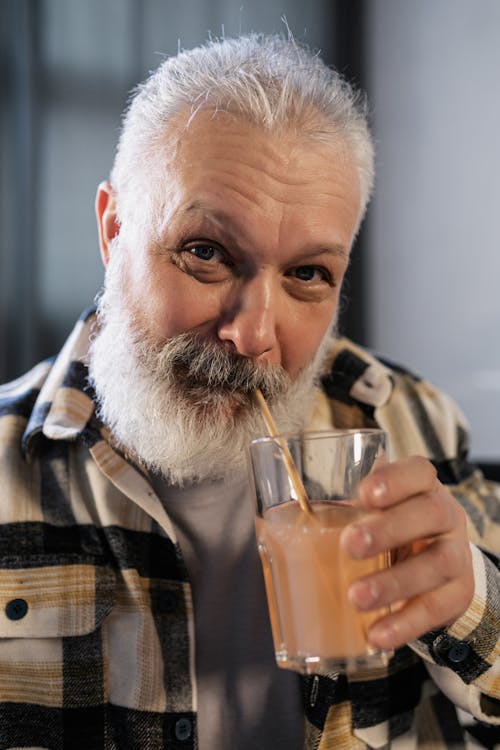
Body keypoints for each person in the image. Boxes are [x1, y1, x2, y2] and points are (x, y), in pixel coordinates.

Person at [0, 33, 498, 750]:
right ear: (113, 231)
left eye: (307, 275)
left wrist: (477, 604)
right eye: (205, 253)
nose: (254, 334)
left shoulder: (410, 423)